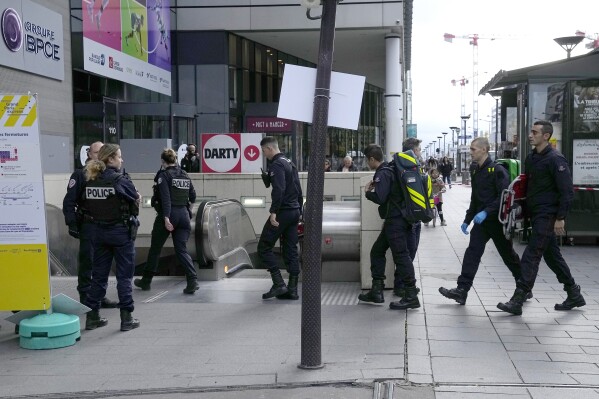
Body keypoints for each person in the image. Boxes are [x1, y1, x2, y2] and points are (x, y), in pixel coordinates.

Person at [498, 121, 585, 315]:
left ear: (546, 136)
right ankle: (573, 293)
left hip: (548, 214)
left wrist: (560, 217)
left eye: (535, 132)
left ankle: (518, 298)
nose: (530, 135)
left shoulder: (556, 159)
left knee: (531, 254)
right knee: (552, 256)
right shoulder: (531, 158)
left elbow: (566, 191)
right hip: (536, 214)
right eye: (531, 131)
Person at [439, 137, 525, 306]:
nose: (471, 152)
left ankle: (524, 286)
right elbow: (475, 198)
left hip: (497, 221)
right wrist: (467, 219)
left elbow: (503, 196)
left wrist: (486, 212)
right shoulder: (476, 170)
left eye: (473, 149)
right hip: (482, 222)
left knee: (508, 256)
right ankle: (462, 290)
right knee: (472, 253)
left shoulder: (498, 170)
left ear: (484, 150)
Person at [82, 144, 141, 332]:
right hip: (120, 233)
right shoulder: (119, 180)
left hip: (99, 233)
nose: (121, 160)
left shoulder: (91, 179)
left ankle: (92, 317)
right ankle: (126, 318)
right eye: (119, 157)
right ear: (111, 159)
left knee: (98, 276)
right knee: (124, 277)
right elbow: (135, 197)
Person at [358, 143, 420, 310]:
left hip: (396, 221)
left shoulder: (383, 172)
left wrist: (367, 192)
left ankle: (411, 294)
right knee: (377, 251)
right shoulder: (392, 170)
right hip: (399, 219)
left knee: (401, 256)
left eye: (367, 160)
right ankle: (377, 291)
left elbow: (380, 197)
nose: (367, 163)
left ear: (372, 159)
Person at [134, 148, 199, 294]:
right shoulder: (184, 175)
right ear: (175, 160)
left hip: (169, 215)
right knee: (181, 249)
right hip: (183, 215)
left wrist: (166, 217)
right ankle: (192, 280)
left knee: (155, 249)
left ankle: (146, 281)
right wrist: (187, 210)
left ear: (163, 162)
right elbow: (193, 196)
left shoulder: (164, 176)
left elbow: (166, 198)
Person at [62, 141, 117, 308]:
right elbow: (69, 202)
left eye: (102, 153)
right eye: (96, 153)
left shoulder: (109, 175)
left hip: (106, 226)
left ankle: (99, 295)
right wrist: (72, 223)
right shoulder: (80, 175)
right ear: (89, 155)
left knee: (102, 263)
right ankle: (85, 298)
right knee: (88, 262)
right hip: (89, 225)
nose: (99, 156)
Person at [258, 137, 303, 300]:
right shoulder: (289, 162)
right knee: (290, 249)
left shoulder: (276, 164)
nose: (264, 155)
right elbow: (298, 188)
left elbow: (279, 189)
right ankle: (292, 289)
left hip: (282, 212)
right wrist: (300, 211)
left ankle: (278, 284)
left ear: (269, 148)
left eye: (264, 151)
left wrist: (273, 211)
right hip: (294, 212)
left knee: (263, 247)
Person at [393, 137, 423, 298]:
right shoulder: (400, 167)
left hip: (414, 216)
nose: (419, 153)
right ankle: (402, 285)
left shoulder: (413, 167)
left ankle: (405, 284)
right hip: (407, 217)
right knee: (406, 252)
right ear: (412, 151)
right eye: (418, 150)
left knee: (410, 252)